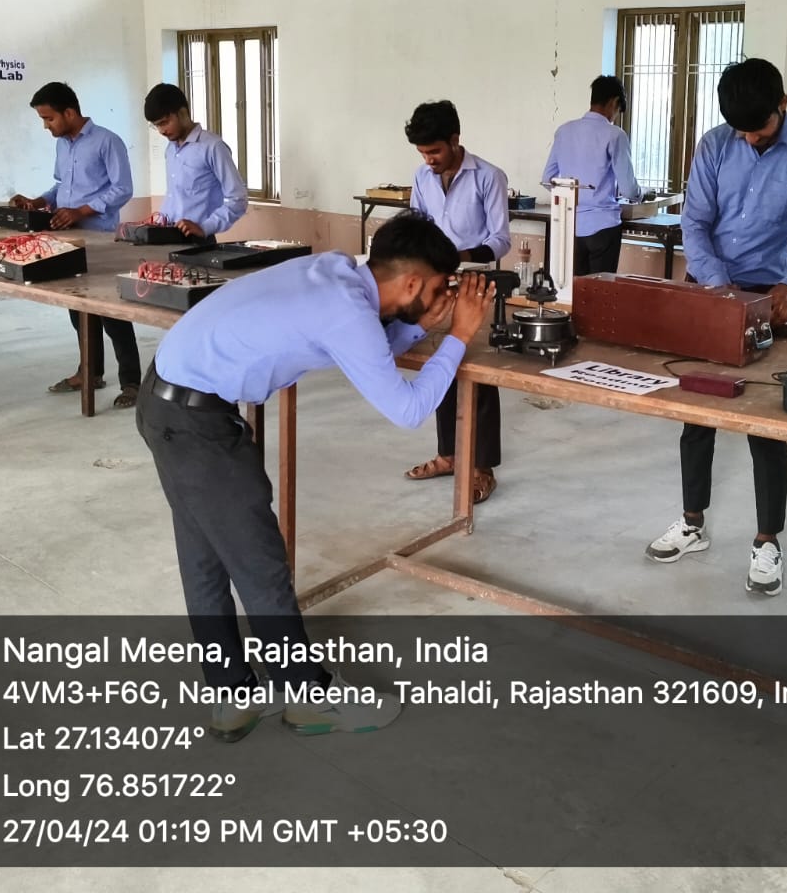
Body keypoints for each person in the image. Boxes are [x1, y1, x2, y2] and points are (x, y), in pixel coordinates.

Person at [137, 211, 495, 740]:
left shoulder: (337, 273)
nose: (447, 296)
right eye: (441, 287)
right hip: (196, 426)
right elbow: (409, 409)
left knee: (205, 559)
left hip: (168, 402)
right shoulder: (346, 310)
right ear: (413, 284)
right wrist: (459, 336)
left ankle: (232, 697)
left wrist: (422, 326)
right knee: (260, 567)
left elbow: (365, 351)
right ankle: (309, 699)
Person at [644, 58, 787, 596]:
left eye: (760, 129)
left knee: (765, 421)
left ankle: (767, 541)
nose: (751, 138)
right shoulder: (714, 145)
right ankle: (692, 523)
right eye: (742, 131)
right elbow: (695, 223)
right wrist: (717, 286)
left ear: (783, 104)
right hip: (710, 286)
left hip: (768, 296)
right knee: (696, 412)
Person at [402, 100, 509, 503]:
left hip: (476, 284)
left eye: (435, 151)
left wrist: (458, 256)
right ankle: (448, 455)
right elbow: (417, 227)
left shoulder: (488, 177)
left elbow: (501, 239)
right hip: (437, 287)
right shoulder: (422, 177)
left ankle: (482, 468)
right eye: (423, 153)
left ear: (454, 140)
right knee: (441, 365)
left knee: (479, 373)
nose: (429, 160)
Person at [7, 81, 139, 408]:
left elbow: (122, 189)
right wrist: (38, 202)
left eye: (49, 118)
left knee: (113, 313)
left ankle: (132, 383)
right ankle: (90, 372)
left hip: (100, 239)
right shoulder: (62, 146)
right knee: (78, 309)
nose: (46, 126)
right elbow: (61, 187)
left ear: (69, 113)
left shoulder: (107, 141)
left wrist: (81, 211)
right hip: (67, 238)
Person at [541, 74, 642, 275]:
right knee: (600, 289)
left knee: (574, 289)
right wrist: (641, 195)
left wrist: (571, 196)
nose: (615, 117)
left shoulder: (564, 131)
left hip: (570, 225)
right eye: (618, 111)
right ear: (614, 102)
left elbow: (547, 179)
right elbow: (629, 190)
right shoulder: (615, 135)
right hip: (603, 227)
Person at [142, 83, 248, 240]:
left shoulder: (212, 147)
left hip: (198, 242)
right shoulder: (170, 150)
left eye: (164, 122)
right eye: (156, 126)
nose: (161, 131)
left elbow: (238, 199)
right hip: (168, 237)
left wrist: (205, 228)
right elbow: (175, 197)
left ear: (183, 113)